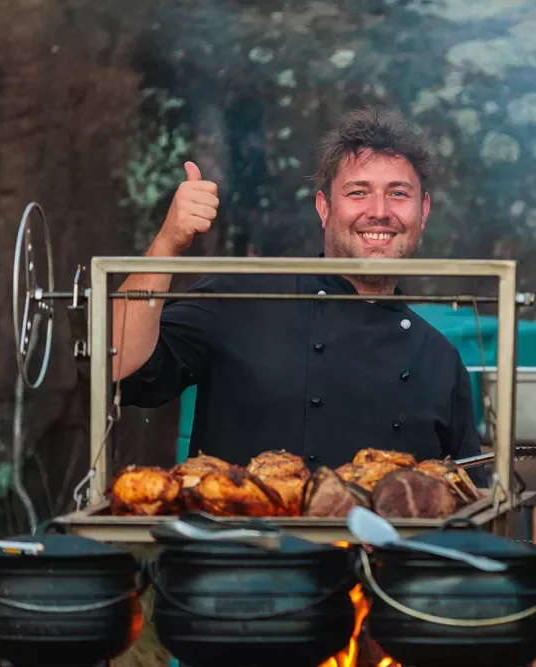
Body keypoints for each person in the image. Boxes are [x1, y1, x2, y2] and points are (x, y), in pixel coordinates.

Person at [114, 108, 483, 474]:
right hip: (239, 531)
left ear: (423, 211)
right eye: (358, 192)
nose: (380, 211)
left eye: (399, 194)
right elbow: (119, 371)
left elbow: (466, 498)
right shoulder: (243, 301)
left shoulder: (440, 362)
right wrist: (167, 244)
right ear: (324, 208)